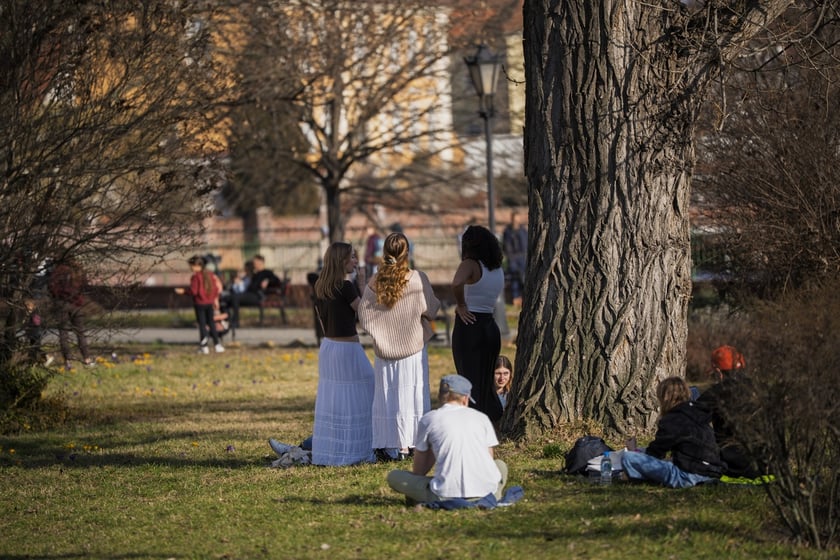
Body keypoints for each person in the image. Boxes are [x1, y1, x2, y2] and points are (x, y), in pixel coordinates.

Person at [358, 232, 440, 461]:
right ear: (408, 252)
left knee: (387, 396)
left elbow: (363, 314)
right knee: (413, 394)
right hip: (412, 346)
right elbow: (431, 309)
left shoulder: (375, 280)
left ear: (384, 252)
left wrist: (380, 331)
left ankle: (387, 445)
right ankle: (414, 444)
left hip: (385, 349)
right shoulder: (418, 278)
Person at [385, 374, 508, 504]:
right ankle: (496, 494)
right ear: (465, 399)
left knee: (394, 476)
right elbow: (488, 459)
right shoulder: (482, 418)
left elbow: (419, 471)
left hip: (445, 495)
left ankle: (421, 497)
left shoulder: (429, 419)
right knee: (500, 465)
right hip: (487, 492)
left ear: (440, 396)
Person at [309, 242, 375, 466]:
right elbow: (365, 312)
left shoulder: (320, 286)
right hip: (348, 348)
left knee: (335, 398)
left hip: (328, 347)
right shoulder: (346, 287)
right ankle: (360, 446)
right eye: (352, 258)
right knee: (368, 387)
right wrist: (365, 285)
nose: (355, 261)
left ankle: (334, 448)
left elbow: (322, 320)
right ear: (341, 261)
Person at [621, 377, 725, 488]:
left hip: (686, 476)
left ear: (665, 398)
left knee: (628, 458)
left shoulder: (673, 419)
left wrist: (633, 450)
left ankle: (636, 476)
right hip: (712, 472)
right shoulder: (698, 414)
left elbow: (655, 454)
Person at [451, 225, 505, 423]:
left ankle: (473, 423)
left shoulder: (470, 264)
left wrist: (461, 304)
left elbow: (456, 283)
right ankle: (493, 421)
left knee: (468, 379)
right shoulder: (496, 268)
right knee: (486, 382)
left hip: (470, 325)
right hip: (490, 326)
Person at [695, 345, 763, 478]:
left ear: (719, 372)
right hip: (767, 464)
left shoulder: (717, 393)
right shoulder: (760, 389)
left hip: (734, 465)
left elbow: (692, 419)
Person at [48, 259, 94, 369]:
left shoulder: (57, 271)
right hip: (76, 304)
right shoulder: (78, 271)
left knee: (63, 334)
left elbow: (51, 287)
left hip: (61, 304)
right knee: (80, 333)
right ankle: (87, 359)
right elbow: (85, 286)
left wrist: (57, 298)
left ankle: (68, 361)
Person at [175, 255, 224, 354]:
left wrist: (183, 291)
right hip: (209, 303)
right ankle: (217, 344)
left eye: (191, 266)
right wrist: (214, 299)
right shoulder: (210, 275)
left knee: (202, 325)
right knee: (211, 324)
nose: (190, 268)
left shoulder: (195, 277)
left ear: (197, 266)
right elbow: (215, 289)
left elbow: (193, 291)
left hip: (199, 304)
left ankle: (204, 346)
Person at [230, 254, 281, 328]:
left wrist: (268, 280)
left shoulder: (267, 272)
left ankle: (235, 322)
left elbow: (277, 281)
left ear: (261, 262)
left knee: (235, 298)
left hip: (257, 296)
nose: (254, 264)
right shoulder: (254, 274)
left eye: (255, 262)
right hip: (248, 294)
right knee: (228, 298)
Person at [502, 211, 527, 306]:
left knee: (523, 277)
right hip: (512, 257)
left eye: (518, 218)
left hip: (522, 257)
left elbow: (525, 243)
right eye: (514, 218)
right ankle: (516, 298)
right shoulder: (507, 231)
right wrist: (509, 256)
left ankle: (524, 296)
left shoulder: (523, 230)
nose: (516, 220)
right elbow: (506, 245)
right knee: (514, 277)